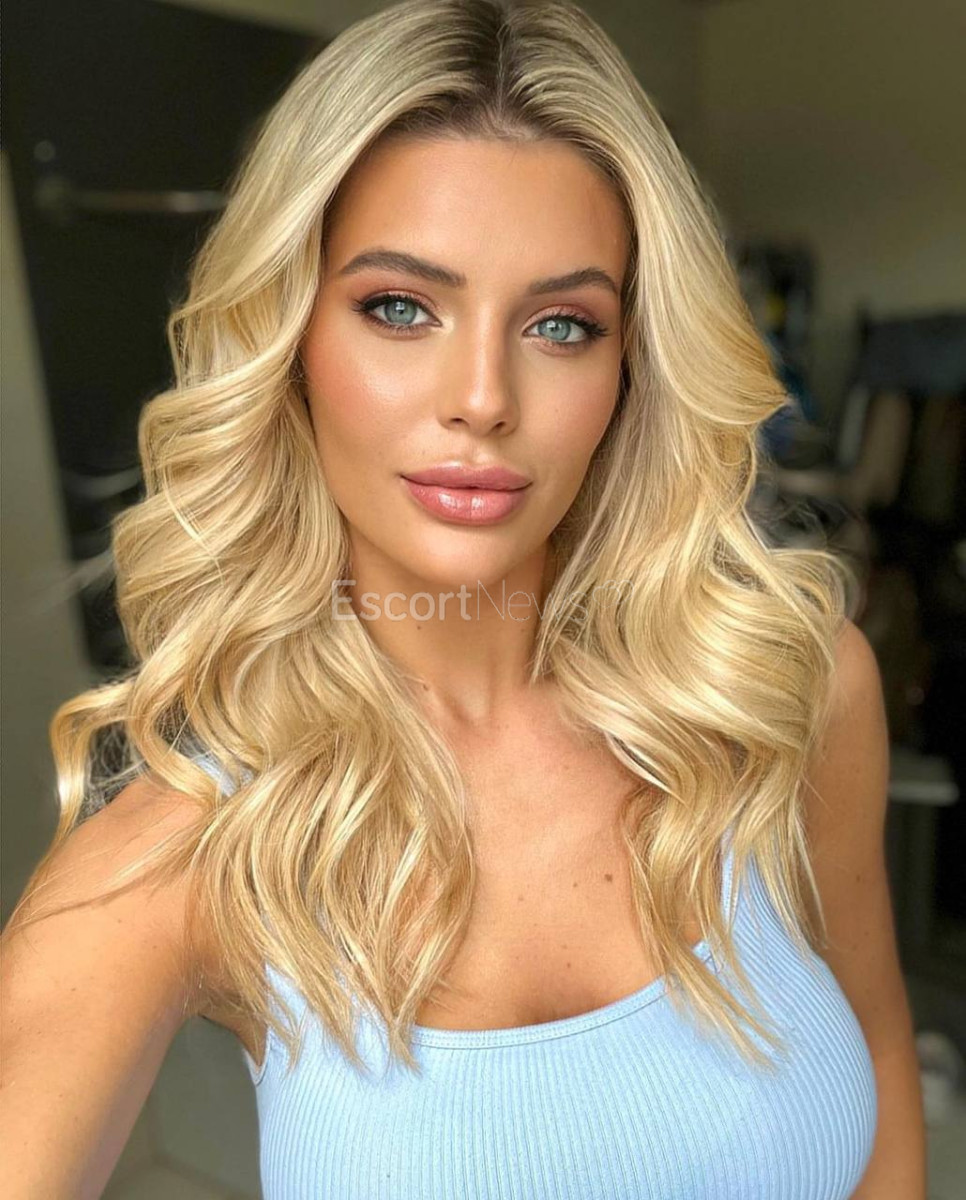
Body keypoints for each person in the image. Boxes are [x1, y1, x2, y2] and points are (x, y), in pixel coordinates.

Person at [1, 1, 926, 1197]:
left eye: (562, 324)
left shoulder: (788, 695)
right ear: (290, 340)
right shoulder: (193, 846)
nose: (483, 397)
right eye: (399, 306)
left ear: (631, 367)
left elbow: (881, 1064)